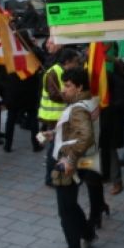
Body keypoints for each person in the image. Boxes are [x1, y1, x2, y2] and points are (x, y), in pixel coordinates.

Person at [44, 67, 98, 248]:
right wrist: (54, 135)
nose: (63, 90)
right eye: (63, 85)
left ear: (79, 87)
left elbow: (85, 136)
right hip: (77, 164)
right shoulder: (81, 103)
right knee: (71, 205)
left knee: (65, 210)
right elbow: (76, 132)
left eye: (67, 86)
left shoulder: (77, 108)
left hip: (68, 167)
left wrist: (70, 158)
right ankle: (88, 234)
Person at [38, 48, 80, 185]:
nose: (77, 64)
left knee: (58, 146)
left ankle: (58, 173)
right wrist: (68, 96)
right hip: (53, 115)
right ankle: (50, 178)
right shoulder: (53, 73)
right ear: (67, 61)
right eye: (75, 62)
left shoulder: (62, 71)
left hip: (60, 115)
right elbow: (54, 95)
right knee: (54, 147)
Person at [99, 57, 124, 196]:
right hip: (108, 121)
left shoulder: (116, 82)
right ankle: (106, 175)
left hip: (111, 122)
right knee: (105, 150)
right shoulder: (118, 80)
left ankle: (116, 181)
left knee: (111, 151)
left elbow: (119, 104)